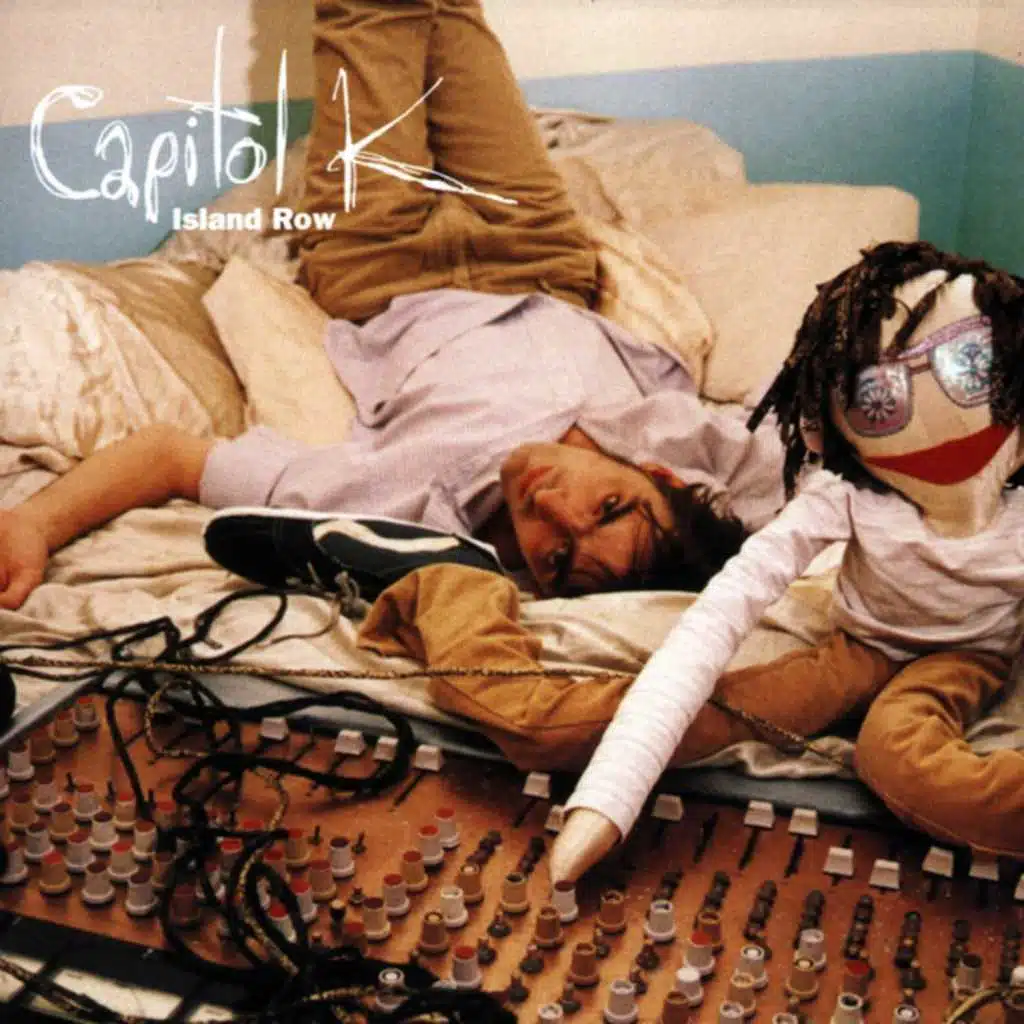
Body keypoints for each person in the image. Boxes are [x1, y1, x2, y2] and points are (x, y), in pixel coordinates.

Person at [0, 0, 785, 610]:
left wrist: (34, 524)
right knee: (450, 14)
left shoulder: (405, 510)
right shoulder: (693, 449)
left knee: (365, 16)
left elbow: (172, 456)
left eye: (554, 555)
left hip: (382, 263)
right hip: (537, 253)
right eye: (608, 506)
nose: (552, 505)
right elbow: (823, 482)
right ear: (659, 477)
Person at [550, 241, 1024, 884]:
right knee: (712, 711)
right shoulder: (844, 495)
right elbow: (720, 613)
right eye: (878, 398)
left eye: (969, 367)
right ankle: (534, 709)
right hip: (859, 642)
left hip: (970, 654)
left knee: (901, 758)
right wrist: (610, 792)